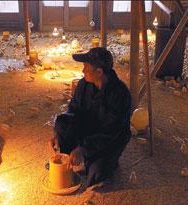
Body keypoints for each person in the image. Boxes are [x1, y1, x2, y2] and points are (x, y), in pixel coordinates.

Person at [49, 47, 131, 187]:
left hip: (110, 138)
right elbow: (73, 112)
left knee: (96, 174)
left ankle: (107, 160)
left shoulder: (120, 94)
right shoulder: (83, 85)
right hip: (88, 128)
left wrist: (83, 149)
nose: (82, 71)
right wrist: (58, 134)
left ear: (99, 72)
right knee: (62, 123)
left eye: (86, 67)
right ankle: (70, 156)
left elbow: (112, 132)